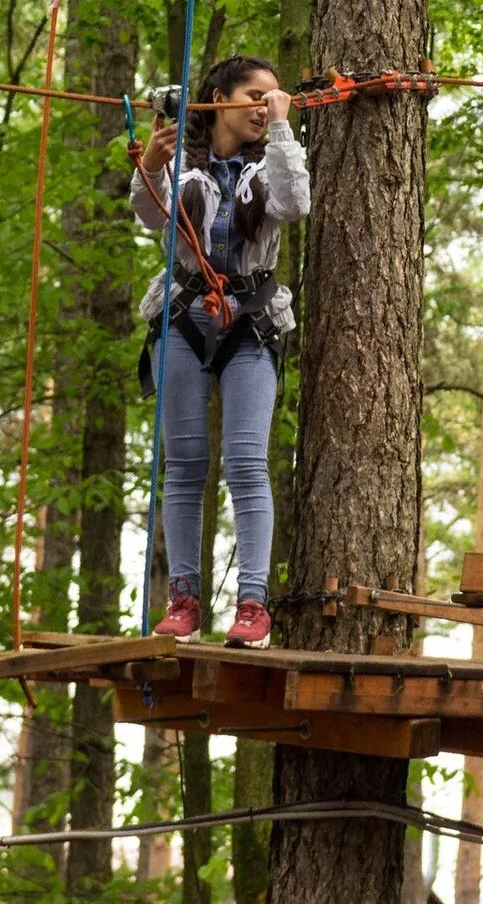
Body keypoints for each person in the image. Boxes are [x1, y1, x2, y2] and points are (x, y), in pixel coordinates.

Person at [133, 54, 310, 645]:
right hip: (184, 315)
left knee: (246, 464)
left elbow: (293, 204)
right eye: (255, 95)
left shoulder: (273, 161)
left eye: (273, 96)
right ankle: (184, 601)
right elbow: (149, 214)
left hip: (251, 320)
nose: (265, 106)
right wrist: (152, 170)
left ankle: (253, 606)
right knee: (183, 467)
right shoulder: (184, 163)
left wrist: (283, 127)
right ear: (219, 98)